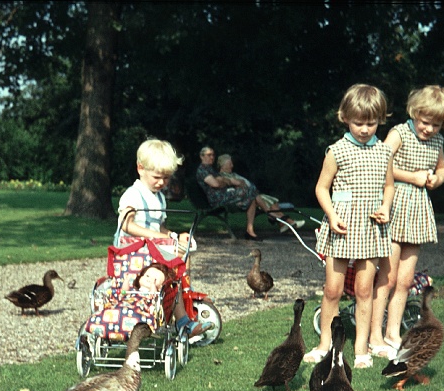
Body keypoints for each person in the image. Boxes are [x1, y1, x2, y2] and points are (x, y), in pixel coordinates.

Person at [368, 85, 444, 359]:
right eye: (424, 121)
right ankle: (375, 335)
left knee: (405, 280)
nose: (429, 129)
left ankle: (393, 333)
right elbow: (379, 161)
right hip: (394, 207)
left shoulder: (437, 141)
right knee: (387, 277)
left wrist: (437, 179)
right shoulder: (399, 133)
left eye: (436, 124)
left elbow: (443, 167)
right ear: (415, 113)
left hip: (417, 213)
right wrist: (413, 177)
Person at [303, 84, 394, 369]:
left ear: (380, 119)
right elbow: (321, 188)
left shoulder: (383, 151)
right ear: (345, 118)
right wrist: (331, 215)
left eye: (371, 122)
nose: (365, 129)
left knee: (364, 290)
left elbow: (389, 187)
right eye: (358, 123)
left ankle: (361, 349)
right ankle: (325, 345)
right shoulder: (337, 150)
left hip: (370, 227)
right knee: (333, 289)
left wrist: (385, 207)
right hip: (342, 224)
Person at [117, 139, 214, 342]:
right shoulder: (133, 195)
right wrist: (158, 237)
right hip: (134, 255)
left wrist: (174, 236)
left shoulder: (158, 197)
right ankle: (183, 323)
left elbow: (159, 227)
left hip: (152, 251)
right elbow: (126, 224)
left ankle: (182, 309)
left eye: (166, 178)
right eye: (157, 177)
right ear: (140, 168)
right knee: (172, 277)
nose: (162, 182)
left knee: (182, 255)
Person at [195, 147, 297, 241]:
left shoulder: (210, 169)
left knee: (251, 196)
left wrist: (225, 181)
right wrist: (229, 182)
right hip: (218, 199)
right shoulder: (202, 170)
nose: (212, 157)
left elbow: (222, 181)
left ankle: (250, 230)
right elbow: (216, 184)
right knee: (250, 191)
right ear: (201, 156)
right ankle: (270, 214)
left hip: (225, 195)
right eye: (209, 155)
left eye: (213, 155)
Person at [216, 153, 305, 233]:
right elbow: (235, 189)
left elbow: (246, 185)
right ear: (222, 165)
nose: (232, 165)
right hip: (242, 199)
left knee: (271, 200)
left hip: (250, 195)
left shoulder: (232, 175)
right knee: (263, 199)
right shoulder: (222, 177)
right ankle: (288, 221)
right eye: (229, 163)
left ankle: (282, 224)